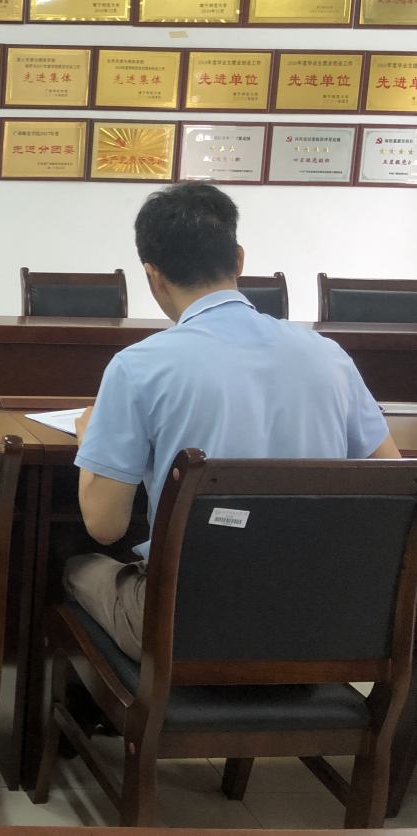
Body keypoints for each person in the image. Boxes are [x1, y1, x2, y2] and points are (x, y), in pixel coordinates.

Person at [68, 183, 400, 660]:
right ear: (239, 259)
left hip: (187, 625)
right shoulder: (330, 356)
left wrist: (91, 444)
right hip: (320, 621)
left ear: (153, 276)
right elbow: (392, 481)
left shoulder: (138, 366)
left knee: (75, 566)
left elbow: (105, 526)